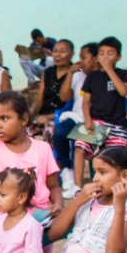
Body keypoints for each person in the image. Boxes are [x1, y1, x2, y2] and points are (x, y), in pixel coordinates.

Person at [0, 91, 63, 222]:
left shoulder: (43, 148)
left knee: (70, 221)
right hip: (8, 217)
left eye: (4, 118)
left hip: (40, 215)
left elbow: (53, 186)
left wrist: (59, 203)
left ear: (24, 119)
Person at [72, 36, 127, 186]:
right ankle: (77, 188)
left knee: (117, 159)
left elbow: (123, 91)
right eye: (101, 53)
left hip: (118, 124)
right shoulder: (93, 77)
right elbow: (86, 102)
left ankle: (116, 188)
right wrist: (87, 119)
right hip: (96, 122)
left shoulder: (124, 74)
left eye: (110, 53)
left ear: (118, 57)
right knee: (80, 147)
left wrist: (109, 70)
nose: (105, 57)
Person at [55, 42, 97, 197]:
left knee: (79, 144)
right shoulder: (78, 76)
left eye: (84, 57)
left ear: (95, 59)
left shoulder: (99, 78)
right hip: (76, 117)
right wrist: (71, 74)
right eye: (80, 58)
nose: (81, 61)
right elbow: (64, 97)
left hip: (93, 120)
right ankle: (67, 171)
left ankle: (77, 183)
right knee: (59, 133)